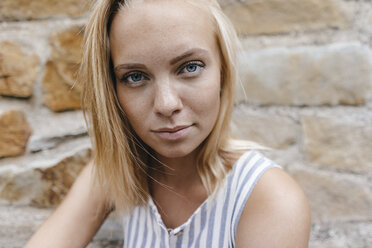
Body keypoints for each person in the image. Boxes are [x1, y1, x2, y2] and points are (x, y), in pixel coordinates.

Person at [25, 0, 311, 247]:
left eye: (189, 67)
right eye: (135, 76)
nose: (166, 104)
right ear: (113, 90)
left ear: (223, 70)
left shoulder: (269, 199)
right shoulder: (117, 172)